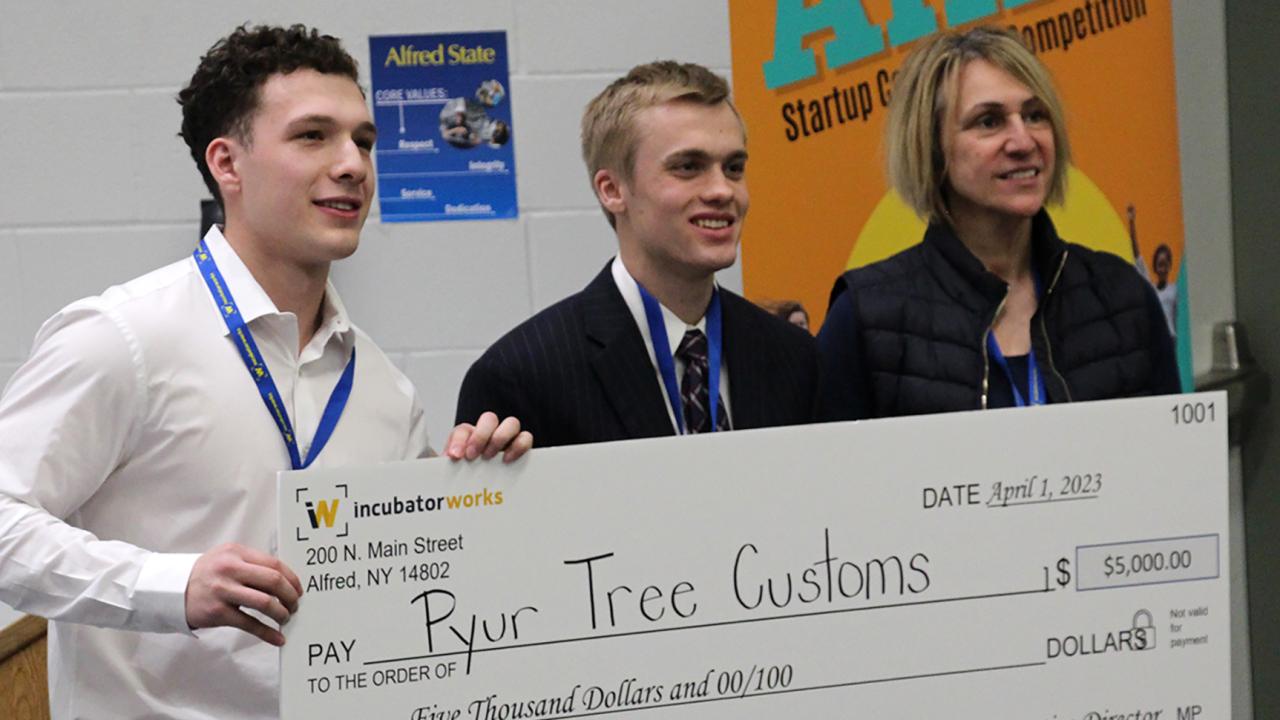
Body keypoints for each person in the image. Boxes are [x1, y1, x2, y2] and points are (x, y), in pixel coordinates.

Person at [0, 24, 530, 720]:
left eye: (364, 141)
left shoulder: (382, 387)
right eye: (313, 136)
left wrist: (472, 498)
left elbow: (411, 585)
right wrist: (172, 584)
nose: (353, 165)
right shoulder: (124, 336)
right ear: (228, 163)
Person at [818, 26, 1179, 421]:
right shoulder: (865, 318)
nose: (1023, 141)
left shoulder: (1124, 299)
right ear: (932, 149)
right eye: (989, 121)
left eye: (1035, 115)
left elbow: (1171, 470)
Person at [455, 61, 818, 446]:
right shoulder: (521, 376)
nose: (723, 191)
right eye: (688, 167)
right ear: (612, 190)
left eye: (733, 167)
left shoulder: (796, 359)